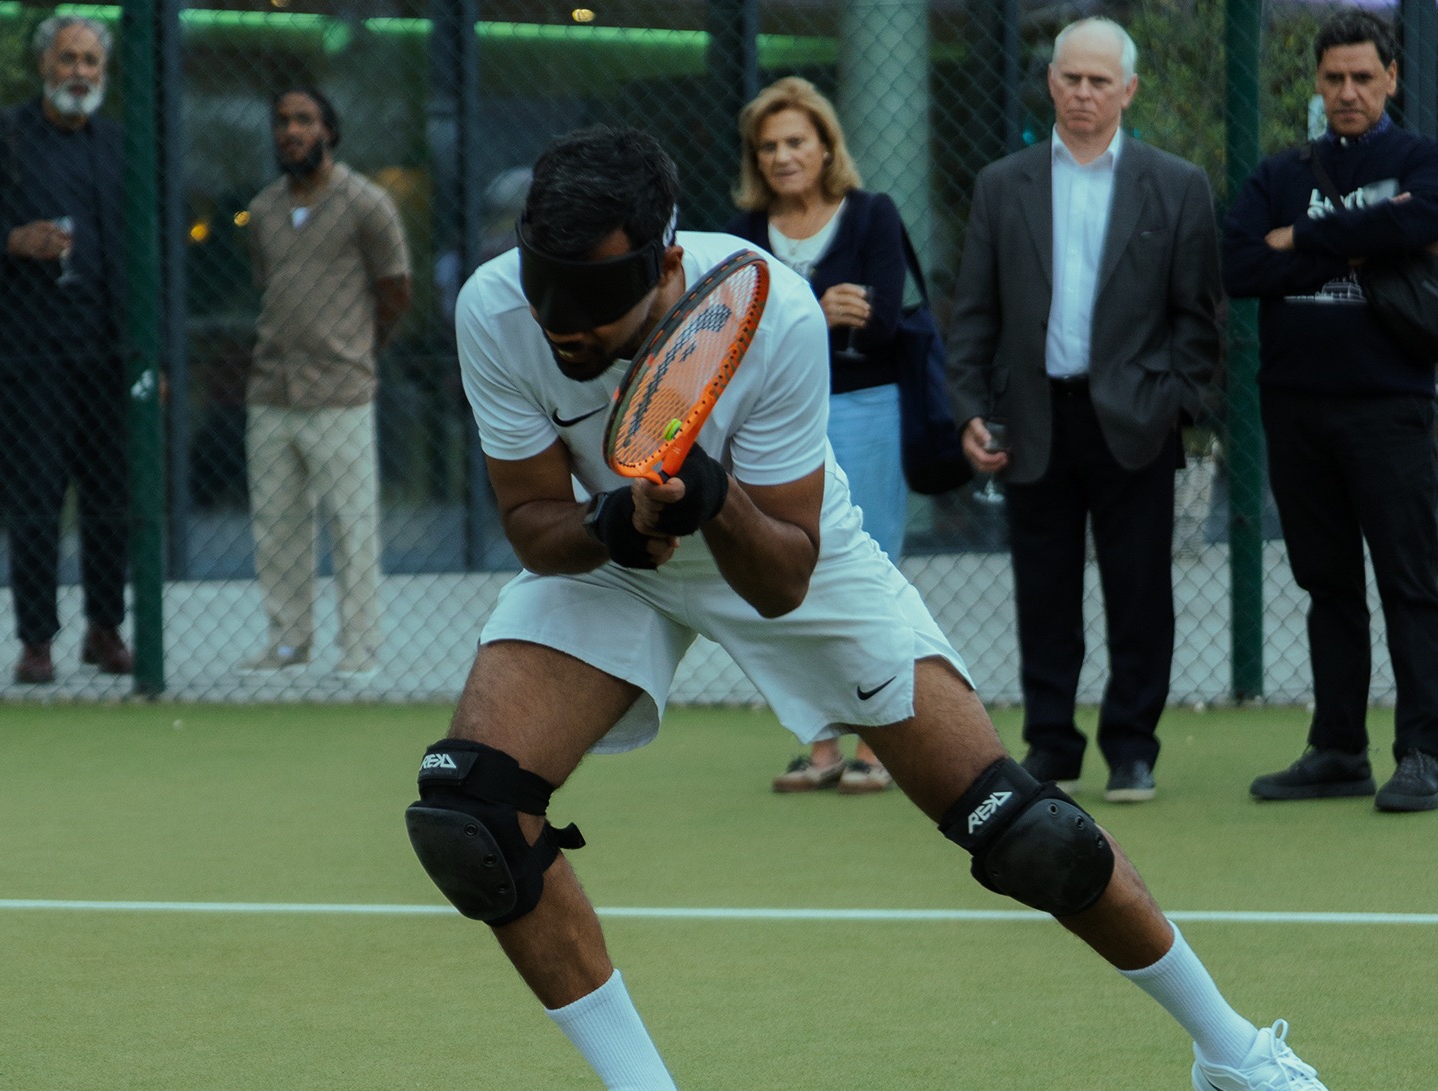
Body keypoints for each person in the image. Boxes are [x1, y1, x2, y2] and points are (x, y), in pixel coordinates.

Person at [405, 124, 1328, 1091]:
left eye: (593, 301)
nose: (562, 327)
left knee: (1019, 828)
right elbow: (532, 523)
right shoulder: (494, 309)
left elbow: (783, 577)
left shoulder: (773, 312)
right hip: (616, 556)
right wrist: (612, 524)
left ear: (666, 266)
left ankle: (1232, 1052)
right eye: (544, 289)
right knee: (470, 812)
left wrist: (710, 495)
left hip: (782, 543)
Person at [946, 17, 1221, 805]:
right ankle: (1051, 744)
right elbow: (974, 312)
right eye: (1070, 78)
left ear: (1127, 90)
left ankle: (1131, 748)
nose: (1082, 93)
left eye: (1099, 81)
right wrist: (969, 407)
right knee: (1043, 591)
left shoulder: (1175, 184)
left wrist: (1172, 402)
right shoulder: (1003, 184)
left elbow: (1199, 317)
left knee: (1139, 594)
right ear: (1050, 82)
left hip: (1134, 421)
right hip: (1034, 418)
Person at [1223, 9, 1438, 813]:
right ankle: (1338, 749)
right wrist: (1366, 239)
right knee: (1326, 581)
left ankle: (1424, 751)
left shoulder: (1418, 159)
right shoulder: (1280, 172)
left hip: (1389, 406)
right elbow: (1239, 264)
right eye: (1333, 77)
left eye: (1362, 77)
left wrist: (1306, 238)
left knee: (1411, 581)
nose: (1347, 91)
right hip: (1294, 406)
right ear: (1316, 82)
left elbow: (1424, 216)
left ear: (1390, 79)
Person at [724, 76, 906, 795]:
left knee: (865, 573)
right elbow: (728, 345)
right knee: (787, 573)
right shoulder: (740, 235)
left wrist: (787, 320)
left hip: (863, 408)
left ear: (826, 146)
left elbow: (884, 325)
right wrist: (814, 312)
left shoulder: (871, 216)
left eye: (796, 141)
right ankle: (821, 746)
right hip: (769, 425)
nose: (782, 156)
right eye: (768, 146)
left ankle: (878, 745)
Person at [237, 87, 411, 681]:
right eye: (282, 121)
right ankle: (288, 642)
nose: (292, 131)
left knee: (353, 526)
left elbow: (396, 290)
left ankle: (360, 647)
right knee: (276, 525)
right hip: (271, 390)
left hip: (341, 392)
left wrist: (359, 350)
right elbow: (268, 288)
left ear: (329, 131)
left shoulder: (366, 203)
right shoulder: (262, 210)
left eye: (305, 120)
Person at [0, 15, 133, 685]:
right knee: (37, 499)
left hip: (108, 353)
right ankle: (37, 641)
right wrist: (10, 240)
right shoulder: (1, 136)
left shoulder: (120, 145)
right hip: (32, 354)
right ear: (44, 65)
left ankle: (105, 630)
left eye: (91, 61)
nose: (80, 72)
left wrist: (151, 358)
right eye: (69, 58)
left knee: (110, 499)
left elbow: (147, 246)